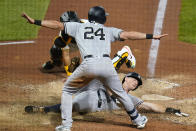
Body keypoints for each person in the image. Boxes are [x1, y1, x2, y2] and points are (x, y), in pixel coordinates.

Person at [22, 6, 168, 131]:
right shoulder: (108, 30)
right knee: (121, 95)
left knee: (67, 90)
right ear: (102, 18)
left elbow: (56, 24)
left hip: (89, 65)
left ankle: (66, 125)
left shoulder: (78, 26)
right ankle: (138, 120)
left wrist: (35, 21)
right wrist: (151, 36)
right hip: (107, 66)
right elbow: (128, 34)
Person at [25, 72, 189, 117]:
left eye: (136, 83)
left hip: (92, 108)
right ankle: (43, 109)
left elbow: (148, 105)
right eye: (132, 79)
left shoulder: (130, 98)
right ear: (126, 78)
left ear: (135, 88)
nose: (134, 82)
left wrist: (170, 110)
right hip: (89, 95)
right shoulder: (111, 82)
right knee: (97, 78)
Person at [40, 11, 82, 76]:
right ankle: (55, 62)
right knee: (55, 50)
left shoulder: (86, 25)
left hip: (85, 42)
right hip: (72, 44)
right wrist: (70, 74)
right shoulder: (63, 34)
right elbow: (66, 55)